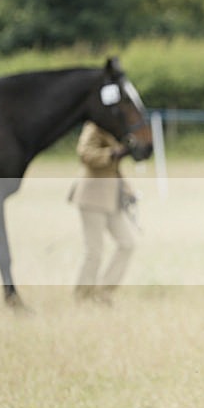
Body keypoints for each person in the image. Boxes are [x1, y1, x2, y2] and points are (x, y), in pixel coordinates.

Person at [69, 121, 137, 304]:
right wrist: (112, 153)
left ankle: (103, 291)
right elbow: (84, 154)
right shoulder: (94, 127)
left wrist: (127, 190)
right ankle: (82, 295)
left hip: (111, 197)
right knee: (94, 251)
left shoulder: (116, 129)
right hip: (92, 196)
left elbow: (114, 169)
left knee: (127, 243)